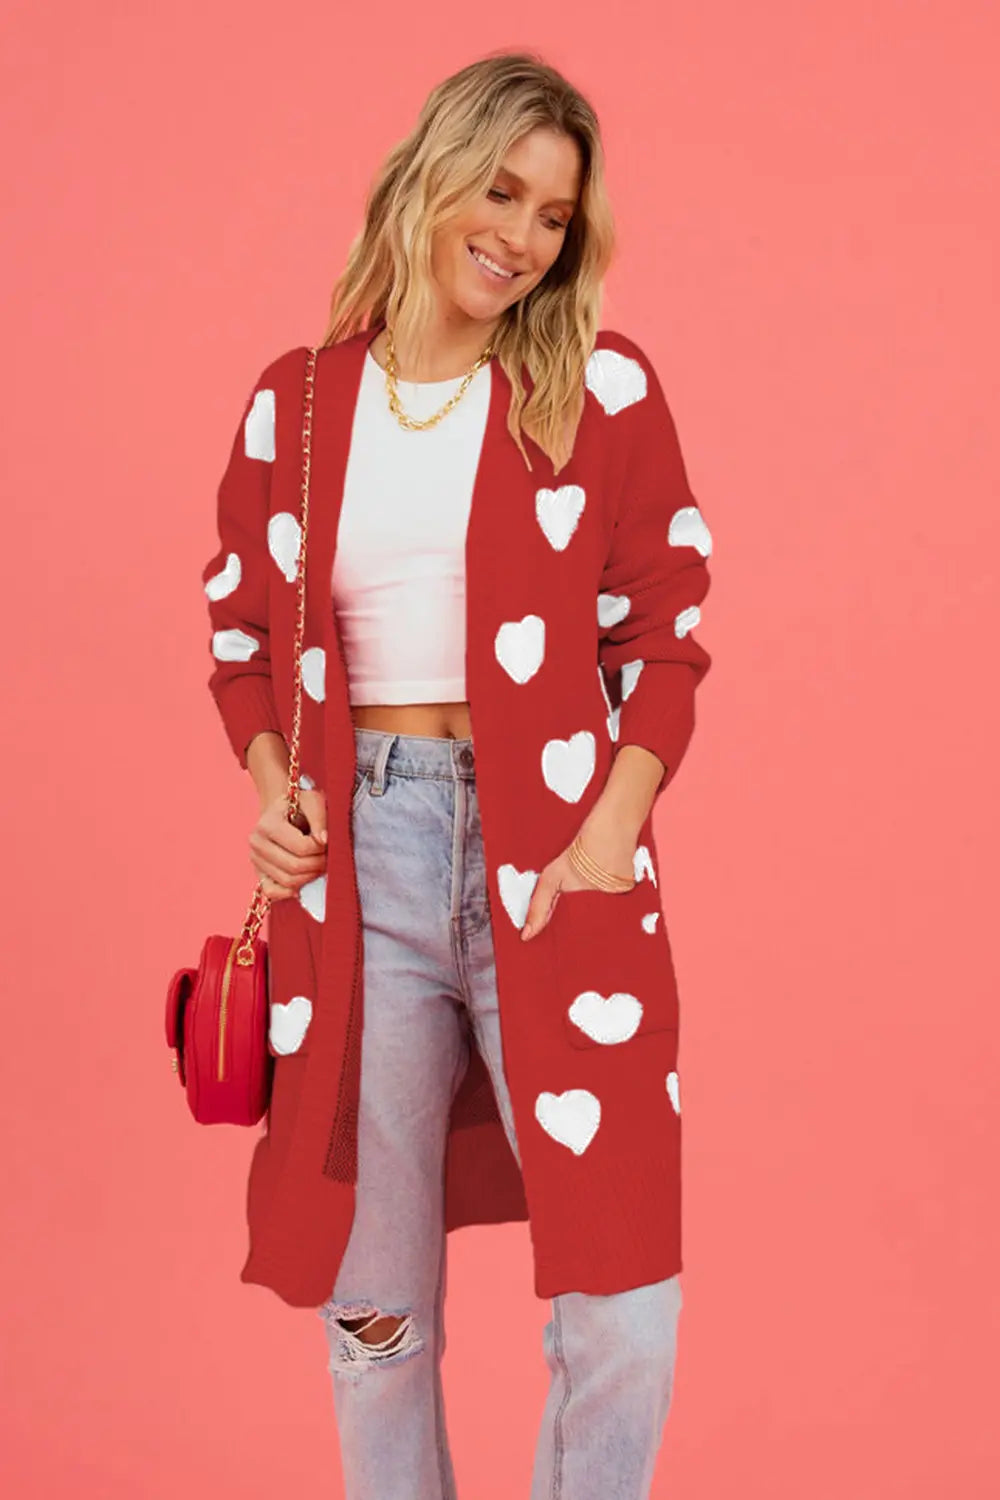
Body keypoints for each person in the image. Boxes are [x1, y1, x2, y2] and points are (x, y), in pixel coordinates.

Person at [201, 48, 713, 1500]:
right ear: (431, 176)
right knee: (375, 1320)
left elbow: (667, 636)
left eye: (554, 215)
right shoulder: (299, 406)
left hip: (565, 862)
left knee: (623, 1305)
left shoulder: (599, 389)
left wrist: (611, 831)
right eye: (501, 191)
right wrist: (273, 795)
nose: (523, 236)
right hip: (361, 868)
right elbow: (242, 641)